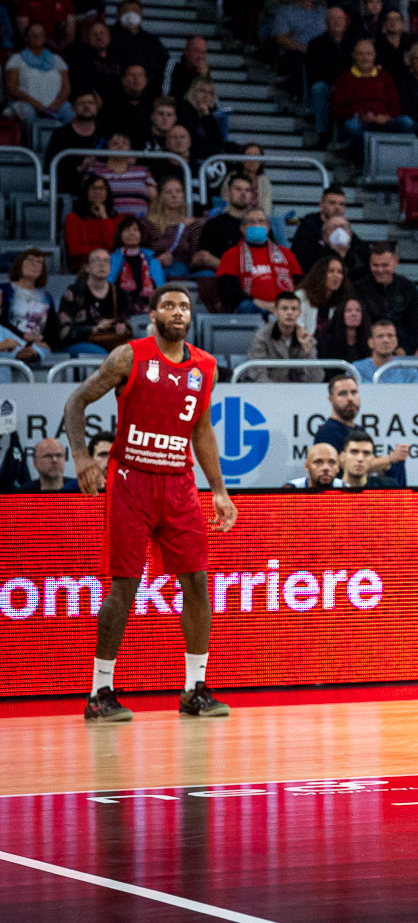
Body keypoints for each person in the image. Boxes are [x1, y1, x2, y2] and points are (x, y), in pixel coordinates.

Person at [63, 284, 235, 721]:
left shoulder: (205, 366)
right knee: (125, 584)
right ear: (153, 315)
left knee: (196, 581)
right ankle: (100, 692)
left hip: (178, 483)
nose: (178, 312)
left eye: (185, 307)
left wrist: (218, 488)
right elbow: (76, 401)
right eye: (169, 306)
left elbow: (201, 429)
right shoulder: (129, 356)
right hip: (131, 479)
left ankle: (195, 689)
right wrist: (82, 456)